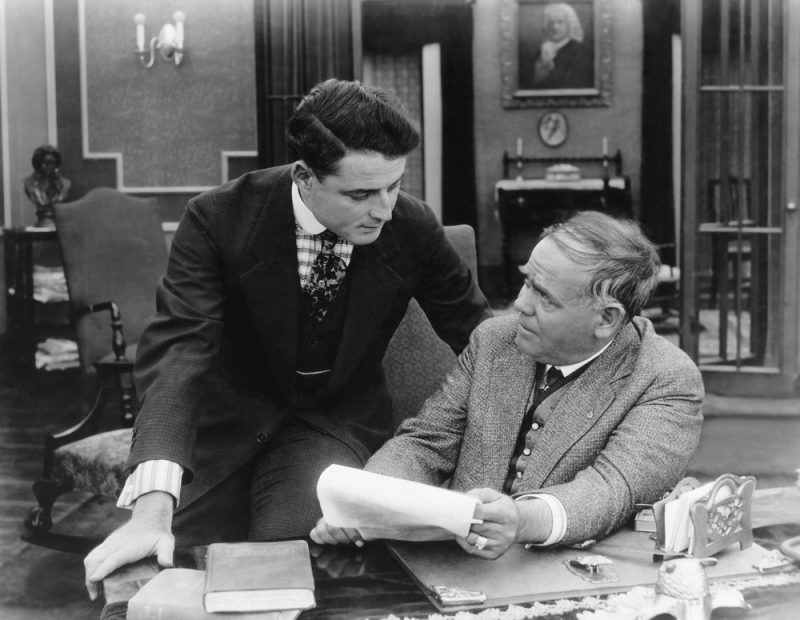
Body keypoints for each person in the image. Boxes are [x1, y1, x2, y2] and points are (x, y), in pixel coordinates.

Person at [84, 78, 491, 597]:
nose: (384, 210)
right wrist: (151, 510)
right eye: (361, 193)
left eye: (394, 185)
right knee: (151, 575)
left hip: (330, 428)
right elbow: (180, 354)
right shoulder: (217, 219)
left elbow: (479, 336)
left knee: (284, 573)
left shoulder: (410, 225)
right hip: (221, 430)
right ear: (304, 177)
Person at [311, 211, 704, 559]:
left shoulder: (664, 378)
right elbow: (426, 442)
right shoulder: (494, 342)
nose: (520, 304)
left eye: (544, 297)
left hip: (569, 572)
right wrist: (363, 501)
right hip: (454, 562)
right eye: (527, 282)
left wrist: (521, 519)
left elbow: (609, 491)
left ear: (606, 319)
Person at [532, 3, 593, 90]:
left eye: (560, 22)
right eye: (550, 23)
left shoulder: (581, 51)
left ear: (569, 25)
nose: (554, 27)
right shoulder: (541, 51)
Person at [23, 144, 71, 228]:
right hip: (41, 223)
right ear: (38, 163)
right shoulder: (29, 184)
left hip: (58, 224)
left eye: (52, 163)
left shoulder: (65, 183)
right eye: (45, 163)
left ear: (56, 164)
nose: (49, 166)